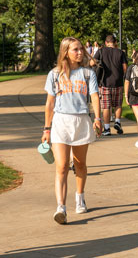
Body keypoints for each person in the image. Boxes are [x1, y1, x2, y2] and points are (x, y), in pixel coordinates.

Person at [41, 37, 102, 225]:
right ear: (65, 51)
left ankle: (80, 196)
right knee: (61, 167)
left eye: (81, 49)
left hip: (81, 121)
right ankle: (61, 208)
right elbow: (50, 103)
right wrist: (46, 128)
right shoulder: (55, 74)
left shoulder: (87, 73)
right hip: (60, 122)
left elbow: (94, 96)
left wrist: (98, 119)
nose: (80, 52)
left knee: (80, 164)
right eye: (75, 49)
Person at [93, 35, 129, 136]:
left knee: (106, 106)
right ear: (115, 42)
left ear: (106, 42)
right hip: (118, 82)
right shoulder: (120, 52)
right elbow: (125, 67)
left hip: (105, 83)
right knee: (118, 104)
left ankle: (107, 128)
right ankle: (117, 121)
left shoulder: (101, 51)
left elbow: (92, 62)